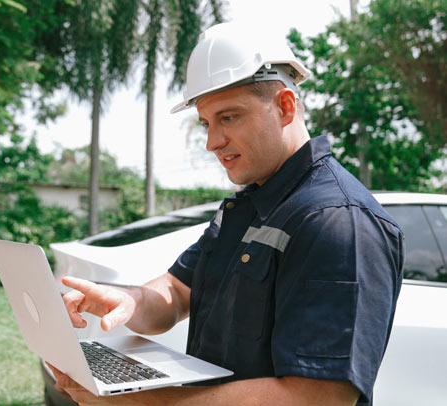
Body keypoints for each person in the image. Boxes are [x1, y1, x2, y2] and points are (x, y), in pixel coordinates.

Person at [49, 22, 404, 405]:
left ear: (285, 106)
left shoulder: (337, 221)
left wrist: (146, 403)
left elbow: (317, 397)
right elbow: (176, 292)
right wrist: (129, 300)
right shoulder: (248, 205)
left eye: (229, 117)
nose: (212, 142)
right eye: (206, 122)